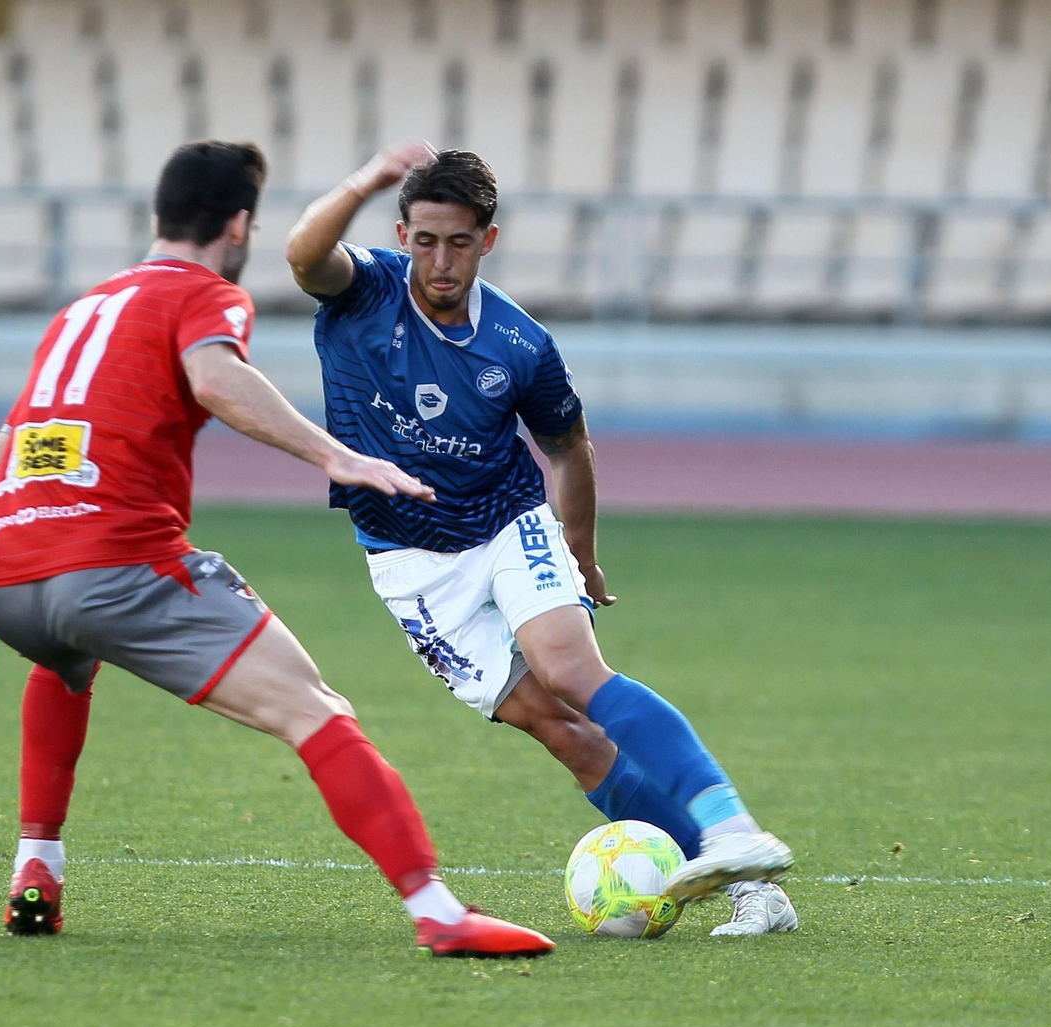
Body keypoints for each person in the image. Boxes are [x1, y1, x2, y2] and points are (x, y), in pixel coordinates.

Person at [0, 139, 553, 958]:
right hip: (116, 569)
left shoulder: (81, 313)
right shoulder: (203, 293)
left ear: (157, 216)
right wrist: (338, 455)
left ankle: (36, 866)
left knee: (65, 656)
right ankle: (438, 912)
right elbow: (216, 379)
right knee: (318, 711)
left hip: (10, 578)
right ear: (239, 226)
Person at [284, 142, 797, 936]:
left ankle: (734, 841)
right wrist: (367, 177)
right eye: (424, 240)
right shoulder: (363, 292)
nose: (441, 261)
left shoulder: (520, 344)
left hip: (504, 523)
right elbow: (301, 253)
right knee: (567, 737)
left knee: (572, 670)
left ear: (487, 240)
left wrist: (582, 554)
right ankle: (749, 885)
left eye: (458, 242)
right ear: (400, 235)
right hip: (409, 563)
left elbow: (569, 447)